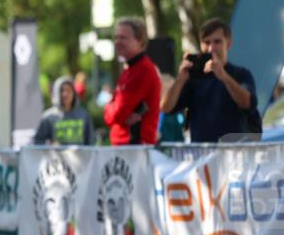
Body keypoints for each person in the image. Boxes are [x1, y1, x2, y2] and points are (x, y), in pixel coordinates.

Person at [160, 18, 260, 143]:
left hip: (234, 151)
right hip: (203, 152)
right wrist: (180, 79)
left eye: (217, 41)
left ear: (228, 43)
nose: (211, 48)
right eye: (206, 42)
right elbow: (166, 108)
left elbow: (248, 104)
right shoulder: (194, 78)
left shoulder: (241, 74)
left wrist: (224, 76)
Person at [103, 17, 161, 146]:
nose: (117, 42)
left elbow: (117, 115)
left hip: (134, 147)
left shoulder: (142, 70)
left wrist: (110, 108)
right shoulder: (130, 69)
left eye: (123, 38)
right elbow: (114, 112)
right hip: (126, 146)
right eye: (116, 37)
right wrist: (111, 107)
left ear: (140, 41)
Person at [33, 76, 95, 145]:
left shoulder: (84, 116)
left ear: (74, 93)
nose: (65, 94)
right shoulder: (48, 117)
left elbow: (91, 142)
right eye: (61, 90)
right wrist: (49, 147)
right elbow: (38, 142)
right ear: (56, 93)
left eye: (68, 90)